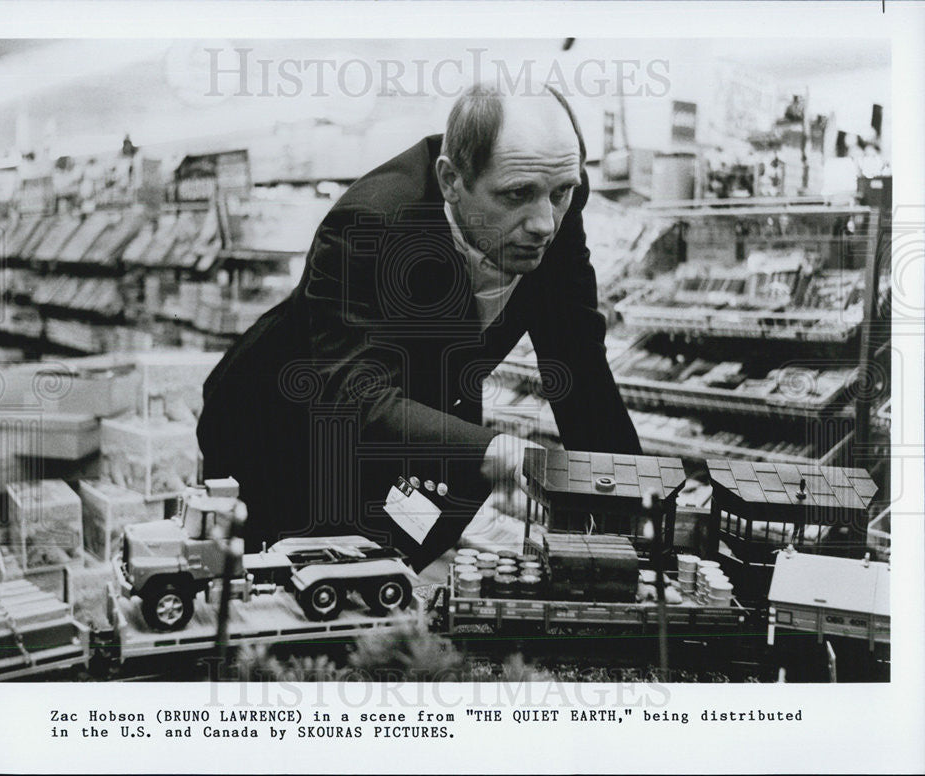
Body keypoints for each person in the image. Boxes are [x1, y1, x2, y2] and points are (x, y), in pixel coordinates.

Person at [197, 83, 641, 571]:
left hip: (418, 427)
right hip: (283, 432)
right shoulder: (368, 223)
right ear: (451, 180)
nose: (544, 223)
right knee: (296, 601)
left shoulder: (550, 199)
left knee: (392, 582)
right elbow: (354, 393)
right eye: (518, 194)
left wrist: (630, 505)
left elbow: (578, 361)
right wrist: (501, 452)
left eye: (562, 192)